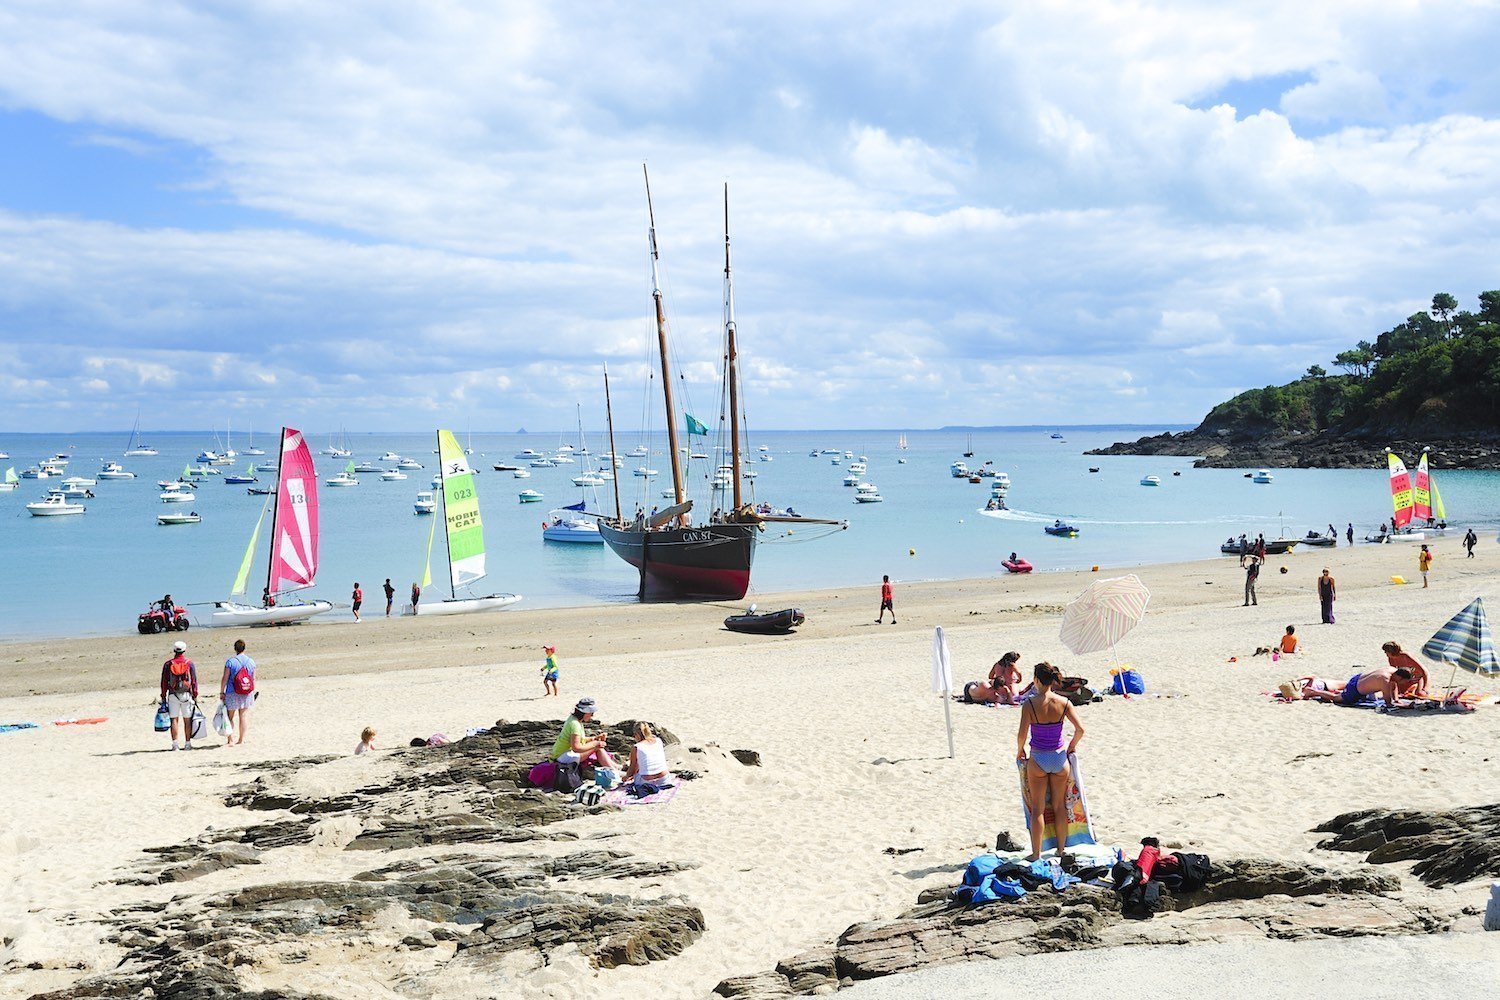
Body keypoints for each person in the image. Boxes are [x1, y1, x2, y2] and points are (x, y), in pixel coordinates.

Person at [1016, 662, 1085, 861]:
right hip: (1059, 757)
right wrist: (1072, 746)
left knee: (1037, 809)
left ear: (1036, 680)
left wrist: (1020, 750)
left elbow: (1022, 734)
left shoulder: (1029, 704)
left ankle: (1036, 854)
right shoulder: (1064, 702)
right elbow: (1080, 730)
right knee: (1059, 806)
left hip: (1038, 758)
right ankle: (1061, 850)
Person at [1303, 662, 1415, 706]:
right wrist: (1404, 705)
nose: (1403, 684)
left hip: (1357, 678)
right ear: (1400, 677)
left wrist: (1397, 699)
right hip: (1355, 690)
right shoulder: (1384, 680)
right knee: (1337, 698)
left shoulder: (1391, 670)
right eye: (1403, 681)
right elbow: (1388, 703)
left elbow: (1394, 685)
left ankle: (1316, 691)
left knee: (1340, 694)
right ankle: (1313, 692)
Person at [551, 697, 616, 770]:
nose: (592, 715)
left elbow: (579, 740)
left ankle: (615, 767)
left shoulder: (574, 720)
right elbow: (576, 748)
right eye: (591, 713)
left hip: (563, 754)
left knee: (597, 746)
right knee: (597, 747)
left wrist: (594, 738)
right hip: (562, 757)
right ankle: (613, 770)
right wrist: (595, 744)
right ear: (584, 713)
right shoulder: (574, 724)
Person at [158, 640, 198, 751]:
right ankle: (187, 744)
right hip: (186, 694)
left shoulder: (168, 664)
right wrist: (195, 694)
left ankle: (175, 744)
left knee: (174, 719)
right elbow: (194, 680)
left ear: (174, 650)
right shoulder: (189, 663)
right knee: (187, 719)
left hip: (172, 694)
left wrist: (163, 695)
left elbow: (164, 681)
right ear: (184, 650)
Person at [218, 638, 255, 746]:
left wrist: (222, 692)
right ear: (244, 648)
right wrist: (252, 691)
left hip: (232, 692)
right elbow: (253, 679)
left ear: (235, 649)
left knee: (230, 717)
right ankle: (241, 740)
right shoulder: (251, 662)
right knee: (243, 716)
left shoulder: (230, 662)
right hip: (246, 691)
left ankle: (230, 740)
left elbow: (225, 678)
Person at [622, 721, 672, 790]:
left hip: (646, 781)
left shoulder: (637, 747)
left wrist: (626, 777)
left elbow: (632, 769)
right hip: (664, 779)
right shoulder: (658, 741)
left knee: (636, 773)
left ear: (637, 734)